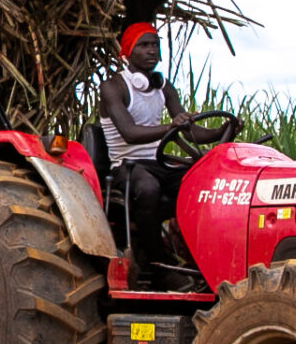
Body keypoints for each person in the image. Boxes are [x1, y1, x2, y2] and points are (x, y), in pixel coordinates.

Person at [97, 22, 226, 268]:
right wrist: (171, 126)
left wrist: (221, 130)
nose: (152, 51)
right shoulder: (113, 87)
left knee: (201, 184)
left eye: (155, 45)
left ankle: (198, 258)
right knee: (148, 188)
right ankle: (155, 262)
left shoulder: (164, 87)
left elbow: (191, 133)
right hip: (126, 166)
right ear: (128, 51)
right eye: (144, 45)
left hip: (157, 163)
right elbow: (130, 133)